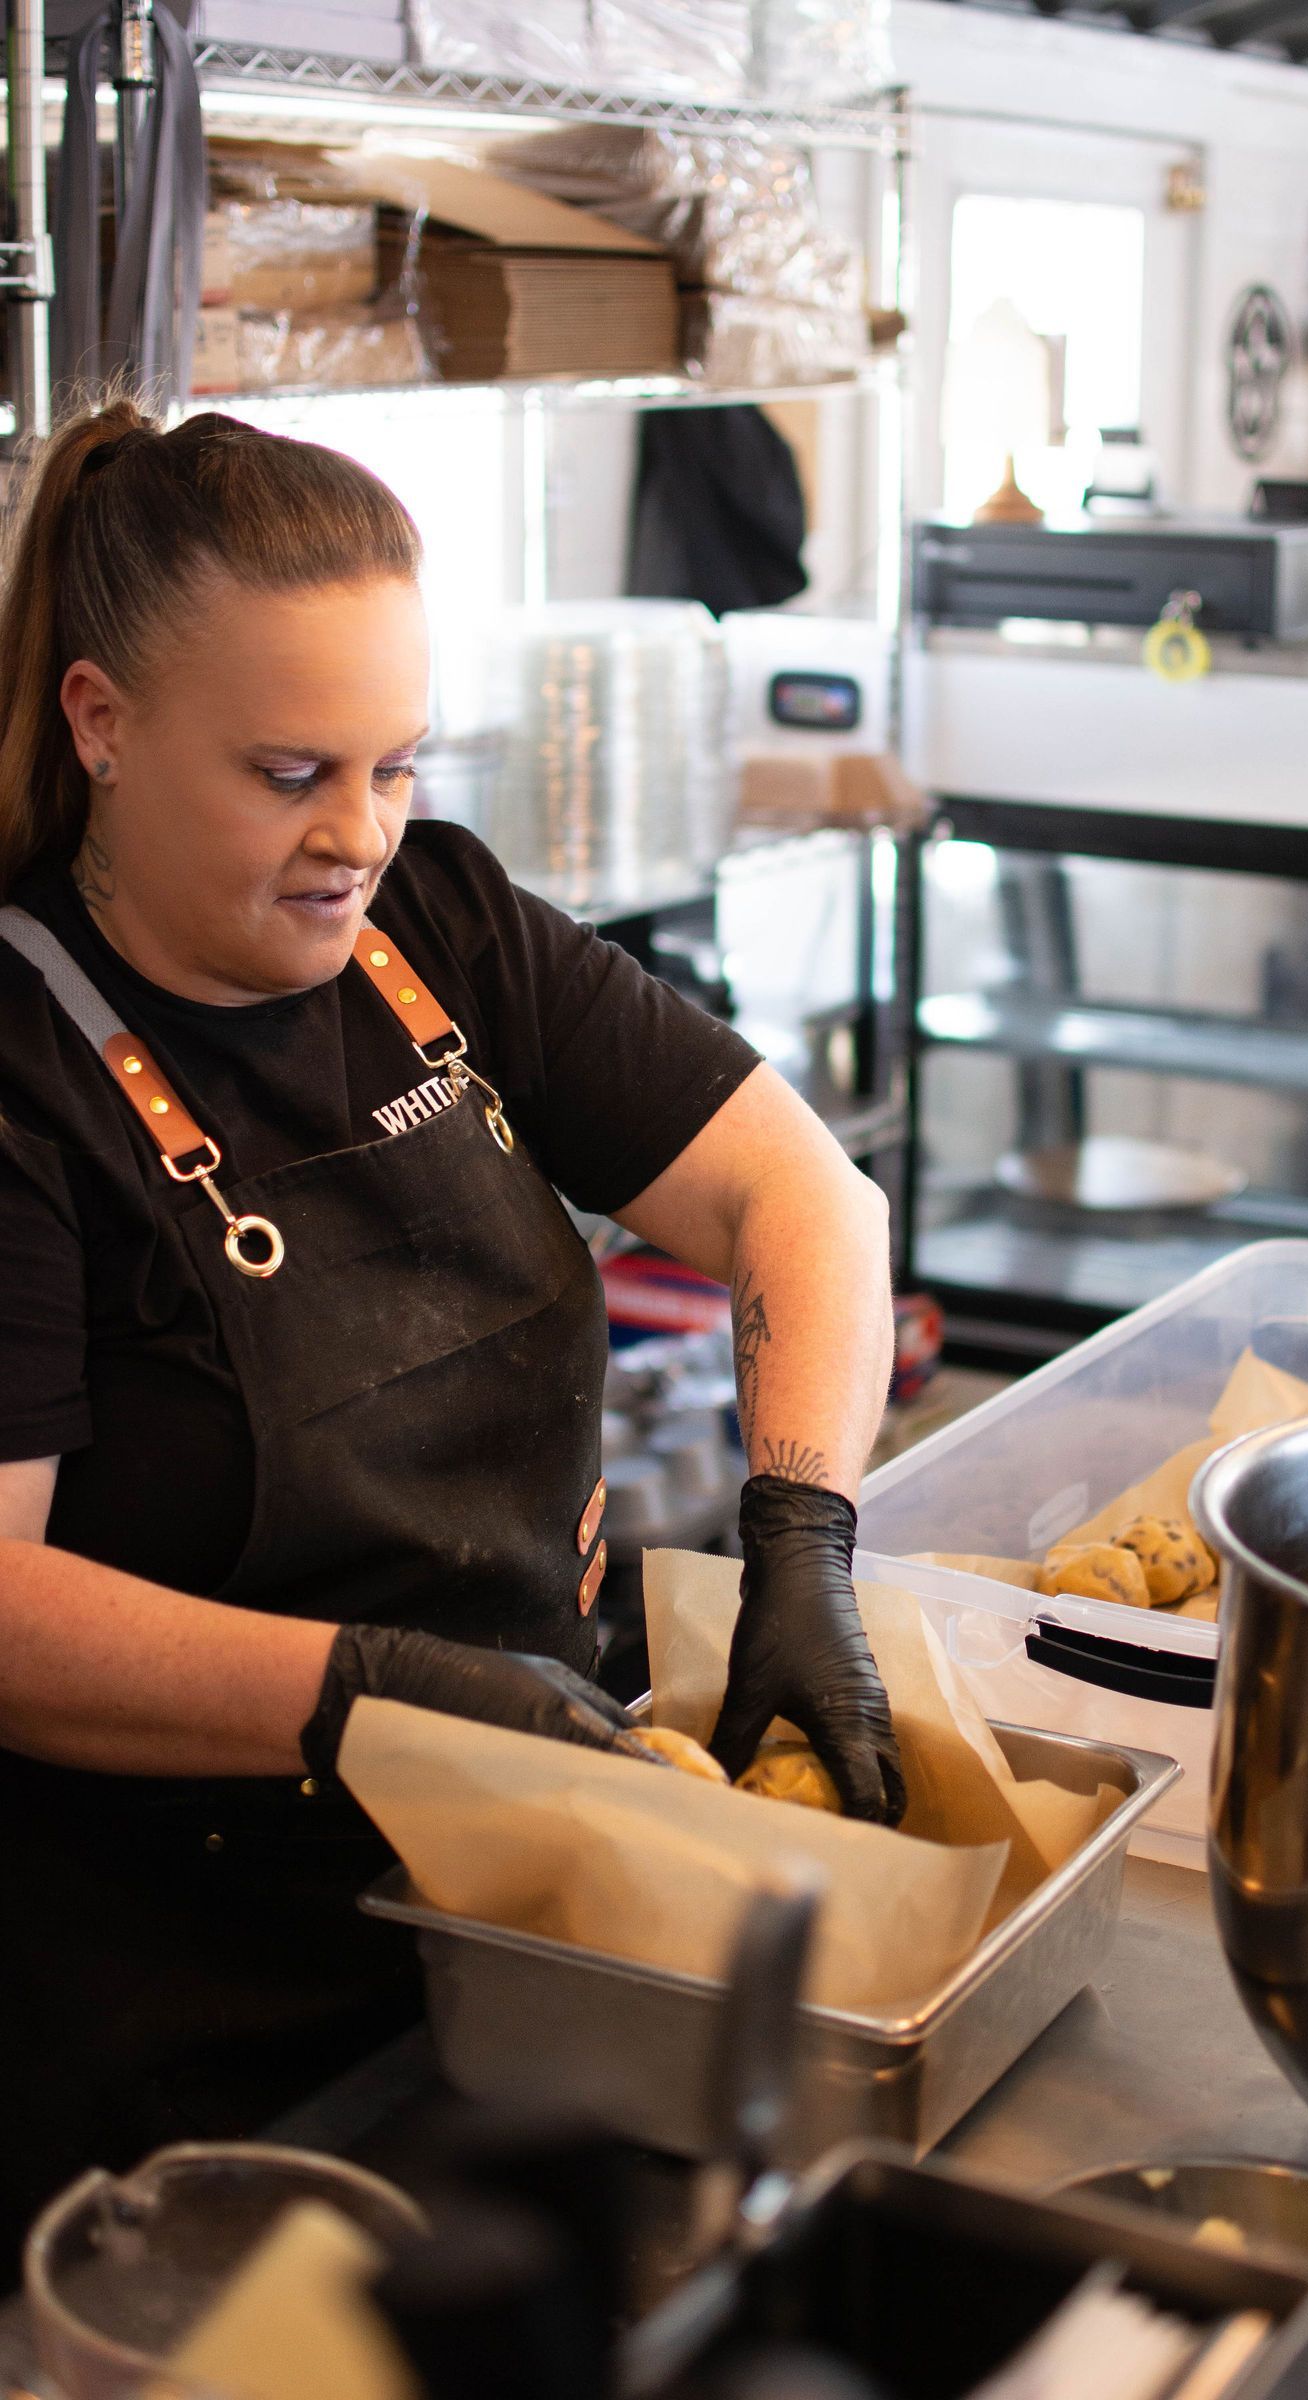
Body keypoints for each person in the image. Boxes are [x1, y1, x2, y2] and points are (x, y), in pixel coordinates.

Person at [0, 398, 903, 2254]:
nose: (358, 835)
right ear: (101, 723)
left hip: (529, 1927)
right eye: (288, 774)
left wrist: (801, 1526)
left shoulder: (444, 926)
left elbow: (801, 1200)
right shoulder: (19, 1073)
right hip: (186, 2022)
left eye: (397, 762)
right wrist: (375, 1700)